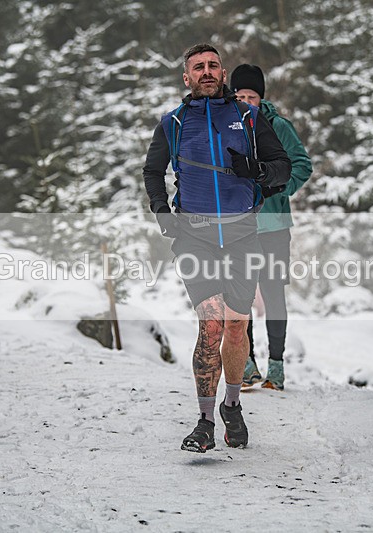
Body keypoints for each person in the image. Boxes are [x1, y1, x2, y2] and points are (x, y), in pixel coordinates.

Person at [142, 44, 291, 453]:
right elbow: (153, 171)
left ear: (222, 73)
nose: (206, 72)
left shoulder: (248, 116)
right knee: (210, 323)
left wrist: (257, 171)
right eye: (198, 67)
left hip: (243, 235)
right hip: (195, 237)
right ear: (186, 78)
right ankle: (205, 421)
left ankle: (232, 405)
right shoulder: (172, 123)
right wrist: (162, 212)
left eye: (212, 66)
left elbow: (284, 167)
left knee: (236, 324)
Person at [230, 64, 313, 391]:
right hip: (239, 226)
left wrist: (280, 189)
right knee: (241, 295)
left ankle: (276, 366)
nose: (246, 100)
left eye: (251, 96)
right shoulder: (229, 125)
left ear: (260, 97)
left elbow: (302, 165)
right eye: (240, 95)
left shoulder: (278, 126)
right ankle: (247, 362)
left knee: (273, 293)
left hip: (274, 226)